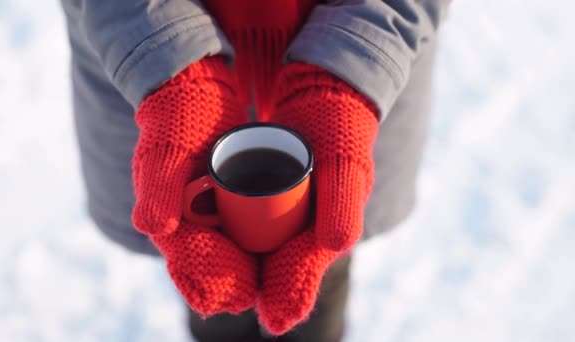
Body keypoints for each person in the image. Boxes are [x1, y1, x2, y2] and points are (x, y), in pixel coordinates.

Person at [61, 0, 450, 341]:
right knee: (211, 287)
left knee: (326, 249)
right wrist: (173, 67)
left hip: (359, 97)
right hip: (150, 88)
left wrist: (349, 74)